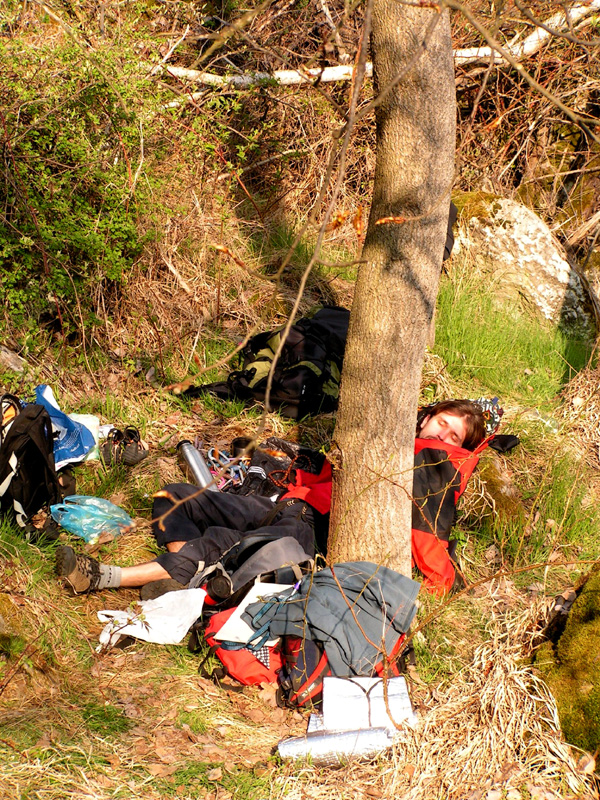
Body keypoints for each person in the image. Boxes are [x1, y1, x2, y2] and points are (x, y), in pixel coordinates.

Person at [56, 399, 486, 595]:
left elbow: (428, 532)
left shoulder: (434, 466)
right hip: (284, 504)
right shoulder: (389, 438)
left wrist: (445, 585)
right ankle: (178, 580)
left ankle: (104, 577)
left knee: (220, 543)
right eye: (443, 424)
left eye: (455, 437)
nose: (444, 436)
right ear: (426, 415)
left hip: (308, 530)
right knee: (177, 495)